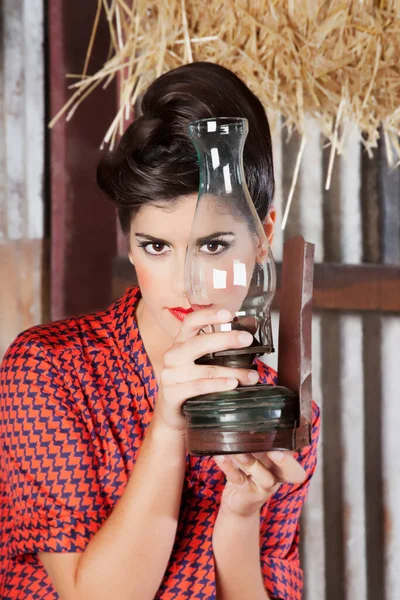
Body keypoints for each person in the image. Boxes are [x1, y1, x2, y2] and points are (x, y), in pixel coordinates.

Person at [0, 62, 320, 600]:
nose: (189, 284)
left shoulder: (281, 409)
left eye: (214, 245)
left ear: (263, 237)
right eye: (157, 247)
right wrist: (168, 428)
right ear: (128, 243)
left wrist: (239, 519)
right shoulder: (48, 372)